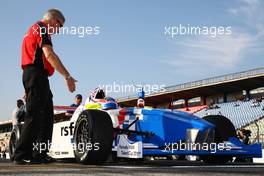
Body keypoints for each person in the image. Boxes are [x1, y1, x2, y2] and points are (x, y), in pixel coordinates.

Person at [14, 9, 77, 165]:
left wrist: (28, 85)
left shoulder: (32, 30)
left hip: (34, 76)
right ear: (53, 20)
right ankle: (22, 154)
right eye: (60, 25)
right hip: (36, 75)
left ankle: (38, 153)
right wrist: (67, 76)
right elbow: (49, 54)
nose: (59, 29)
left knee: (46, 115)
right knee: (36, 116)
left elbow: (31, 58)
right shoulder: (42, 28)